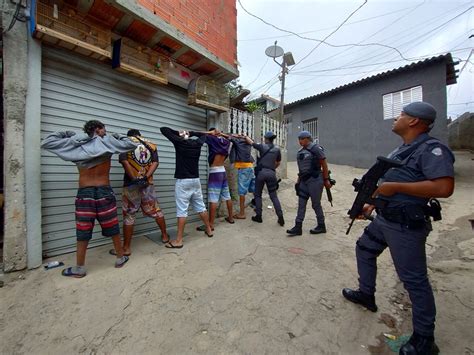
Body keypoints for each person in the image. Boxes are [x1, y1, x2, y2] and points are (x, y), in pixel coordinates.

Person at [342, 102, 455, 355]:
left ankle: (425, 339)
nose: (397, 117)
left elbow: (444, 187)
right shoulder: (402, 150)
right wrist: (372, 204)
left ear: (414, 121)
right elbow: (389, 183)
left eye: (402, 114)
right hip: (385, 219)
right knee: (364, 249)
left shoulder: (432, 149)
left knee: (414, 281)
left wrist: (396, 188)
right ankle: (366, 294)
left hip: (405, 225)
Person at [41, 120, 138, 277]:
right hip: (104, 191)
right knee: (112, 225)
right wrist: (117, 137)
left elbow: (47, 142)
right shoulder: (107, 144)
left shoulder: (76, 146)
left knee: (83, 229)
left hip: (84, 193)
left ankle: (79, 268)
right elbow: (131, 143)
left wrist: (68, 135)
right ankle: (120, 258)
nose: (106, 133)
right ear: (98, 129)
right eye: (104, 130)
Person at [113, 129, 169, 257]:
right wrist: (145, 177)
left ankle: (126, 248)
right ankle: (165, 236)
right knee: (155, 209)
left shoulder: (125, 142)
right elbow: (155, 162)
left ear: (130, 135)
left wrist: (134, 178)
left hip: (131, 184)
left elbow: (125, 161)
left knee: (129, 214)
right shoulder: (150, 144)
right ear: (139, 135)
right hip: (147, 183)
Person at [160, 126, 214, 248]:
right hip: (195, 180)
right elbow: (204, 136)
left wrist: (179, 133)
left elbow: (164, 129)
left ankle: (178, 240)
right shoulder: (198, 144)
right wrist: (193, 132)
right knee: (201, 207)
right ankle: (209, 230)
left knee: (182, 211)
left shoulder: (179, 142)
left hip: (183, 182)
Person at [287, 131, 332, 236]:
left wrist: (326, 179)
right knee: (301, 204)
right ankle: (298, 227)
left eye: (301, 139)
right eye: (299, 139)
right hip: (304, 181)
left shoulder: (316, 148)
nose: (300, 141)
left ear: (307, 138)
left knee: (316, 204)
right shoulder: (300, 151)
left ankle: (321, 225)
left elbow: (324, 164)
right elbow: (302, 169)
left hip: (315, 180)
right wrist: (298, 182)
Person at [195, 128, 234, 231]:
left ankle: (211, 224)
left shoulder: (212, 139)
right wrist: (221, 133)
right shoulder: (225, 141)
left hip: (215, 172)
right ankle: (231, 218)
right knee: (227, 196)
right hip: (222, 171)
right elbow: (230, 137)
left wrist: (210, 133)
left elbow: (198, 133)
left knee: (213, 199)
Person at [245, 131, 284, 226]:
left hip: (261, 173)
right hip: (271, 173)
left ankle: (259, 216)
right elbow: (278, 162)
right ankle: (280, 217)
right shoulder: (277, 149)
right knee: (274, 196)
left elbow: (251, 142)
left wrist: (245, 136)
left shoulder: (262, 146)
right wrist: (271, 169)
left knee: (258, 195)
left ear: (266, 138)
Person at [228, 134, 255, 219]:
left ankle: (242, 213)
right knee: (254, 189)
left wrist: (232, 135)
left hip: (244, 169)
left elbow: (229, 137)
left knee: (241, 192)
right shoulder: (248, 142)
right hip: (250, 167)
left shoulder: (238, 142)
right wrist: (242, 136)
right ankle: (258, 208)